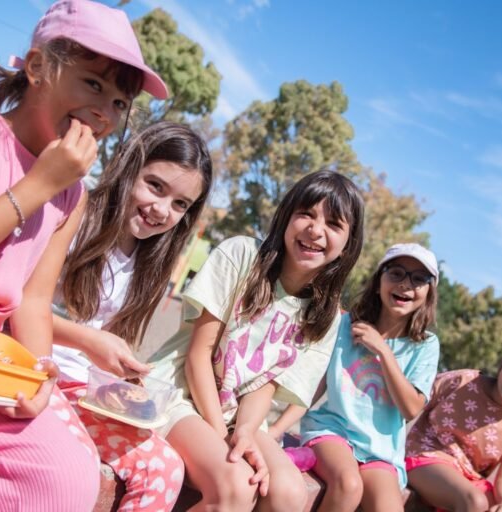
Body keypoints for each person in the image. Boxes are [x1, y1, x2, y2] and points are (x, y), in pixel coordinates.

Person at [0, 1, 169, 510]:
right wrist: (41, 183)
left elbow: (34, 300)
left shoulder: (73, 193)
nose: (105, 111)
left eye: (119, 102)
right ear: (39, 67)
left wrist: (40, 372)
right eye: (93, 84)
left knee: (62, 484)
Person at [147, 170, 365, 510]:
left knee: (290, 494)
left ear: (348, 245)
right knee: (237, 484)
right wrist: (224, 437)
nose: (315, 229)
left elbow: (264, 384)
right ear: (286, 216)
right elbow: (198, 355)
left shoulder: (326, 316)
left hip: (242, 415)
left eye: (334, 224)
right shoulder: (241, 256)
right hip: (180, 393)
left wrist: (245, 432)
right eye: (306, 213)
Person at [51, 121, 213, 511]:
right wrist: (91, 342)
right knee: (76, 469)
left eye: (180, 204)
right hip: (38, 375)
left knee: (165, 469)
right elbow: (17, 310)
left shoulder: (151, 260)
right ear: (128, 166)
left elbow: (108, 341)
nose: (162, 210)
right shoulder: (75, 216)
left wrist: (125, 378)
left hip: (85, 393)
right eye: (155, 185)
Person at [297, 243, 441, 511]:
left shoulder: (426, 345)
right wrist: (279, 428)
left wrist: (383, 350)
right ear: (378, 282)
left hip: (380, 451)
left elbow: (410, 408)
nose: (406, 284)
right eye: (396, 273)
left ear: (428, 292)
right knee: (348, 486)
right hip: (333, 430)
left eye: (419, 279)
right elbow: (314, 383)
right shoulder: (345, 324)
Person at [405, 339, 502, 512]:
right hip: (424, 457)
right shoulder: (463, 381)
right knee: (475, 501)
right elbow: (412, 403)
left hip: (468, 479)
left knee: (493, 507)